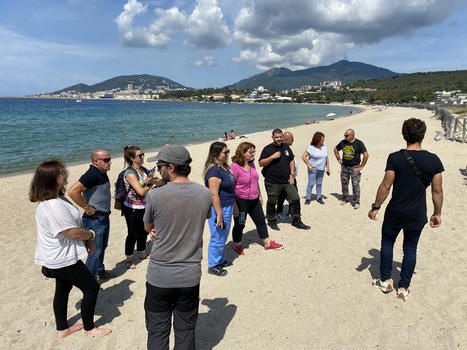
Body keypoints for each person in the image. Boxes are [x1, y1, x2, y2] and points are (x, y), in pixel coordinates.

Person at [30, 160, 111, 338]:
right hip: (60, 258)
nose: (66, 174)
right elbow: (71, 232)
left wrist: (87, 241)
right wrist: (90, 236)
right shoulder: (51, 205)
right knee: (91, 288)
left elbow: (73, 225)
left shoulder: (57, 197)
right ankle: (89, 328)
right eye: (62, 172)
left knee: (63, 289)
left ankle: (62, 329)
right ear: (52, 178)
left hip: (63, 255)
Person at [143, 145, 212, 350]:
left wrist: (155, 231)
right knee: (185, 330)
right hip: (189, 276)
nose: (158, 170)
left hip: (160, 276)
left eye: (159, 166)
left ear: (170, 167)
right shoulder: (204, 193)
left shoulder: (156, 195)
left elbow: (148, 225)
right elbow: (202, 217)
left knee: (157, 331)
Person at [368, 118, 443, 301]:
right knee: (410, 248)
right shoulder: (433, 160)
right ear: (423, 135)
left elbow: (386, 185)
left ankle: (386, 281)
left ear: (404, 135)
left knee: (387, 243)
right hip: (417, 213)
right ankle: (404, 287)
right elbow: (437, 190)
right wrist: (437, 213)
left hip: (395, 211)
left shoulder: (395, 158)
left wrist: (375, 207)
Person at [231, 142, 283, 254]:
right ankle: (237, 245)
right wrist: (234, 205)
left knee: (260, 221)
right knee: (240, 224)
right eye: (250, 152)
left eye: (254, 151)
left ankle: (267, 243)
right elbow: (231, 187)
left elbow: (255, 180)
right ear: (243, 152)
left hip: (254, 200)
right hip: (241, 201)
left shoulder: (252, 164)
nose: (253, 154)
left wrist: (259, 195)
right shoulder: (235, 167)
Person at [68, 149, 112, 280]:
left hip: (103, 217)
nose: (110, 162)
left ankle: (99, 272)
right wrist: (86, 207)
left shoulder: (101, 172)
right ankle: (89, 282)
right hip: (94, 219)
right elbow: (73, 191)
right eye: (106, 160)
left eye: (109, 159)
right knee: (94, 252)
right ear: (95, 161)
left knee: (102, 247)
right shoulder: (92, 174)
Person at [259, 128, 310, 230]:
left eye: (280, 137)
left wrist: (291, 174)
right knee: (272, 202)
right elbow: (260, 163)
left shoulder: (286, 147)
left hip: (286, 180)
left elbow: (291, 160)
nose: (278, 139)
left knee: (295, 198)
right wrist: (272, 157)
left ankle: (296, 220)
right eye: (276, 137)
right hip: (272, 182)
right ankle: (271, 220)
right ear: (273, 137)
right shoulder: (267, 149)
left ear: (282, 137)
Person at [122, 145, 159, 269]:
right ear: (132, 158)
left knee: (144, 230)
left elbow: (148, 184)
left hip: (144, 205)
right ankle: (128, 258)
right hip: (132, 208)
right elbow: (141, 192)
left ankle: (142, 252)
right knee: (132, 233)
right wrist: (150, 184)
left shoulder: (143, 169)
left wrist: (153, 181)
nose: (143, 157)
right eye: (140, 155)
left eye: (143, 154)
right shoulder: (130, 173)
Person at [203, 141, 237, 276]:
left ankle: (220, 259)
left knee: (222, 235)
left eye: (228, 151)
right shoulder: (213, 172)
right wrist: (219, 214)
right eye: (225, 152)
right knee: (218, 235)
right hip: (217, 208)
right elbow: (213, 194)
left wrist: (234, 206)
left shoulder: (225, 168)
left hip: (228, 205)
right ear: (216, 155)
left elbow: (230, 190)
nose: (228, 154)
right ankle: (213, 265)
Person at [333, 129, 369, 209]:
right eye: (344, 135)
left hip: (355, 167)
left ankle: (356, 202)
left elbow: (366, 155)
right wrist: (338, 159)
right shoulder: (343, 142)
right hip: (344, 166)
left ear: (352, 135)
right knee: (344, 183)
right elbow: (335, 149)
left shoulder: (359, 143)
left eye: (346, 135)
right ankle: (345, 199)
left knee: (355, 185)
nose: (344, 137)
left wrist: (361, 166)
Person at [302, 132, 330, 205]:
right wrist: (309, 165)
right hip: (313, 168)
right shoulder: (311, 147)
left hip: (321, 168)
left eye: (323, 137)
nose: (323, 138)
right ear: (317, 139)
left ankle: (319, 197)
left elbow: (326, 158)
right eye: (322, 137)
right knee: (311, 184)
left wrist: (328, 168)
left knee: (319, 183)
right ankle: (308, 198)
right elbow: (304, 156)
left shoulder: (325, 147)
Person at [276, 131, 297, 218]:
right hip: (285, 179)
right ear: (287, 139)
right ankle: (279, 214)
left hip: (292, 177)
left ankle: (291, 212)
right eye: (292, 139)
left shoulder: (288, 149)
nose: (293, 140)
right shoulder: (281, 150)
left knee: (293, 197)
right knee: (281, 198)